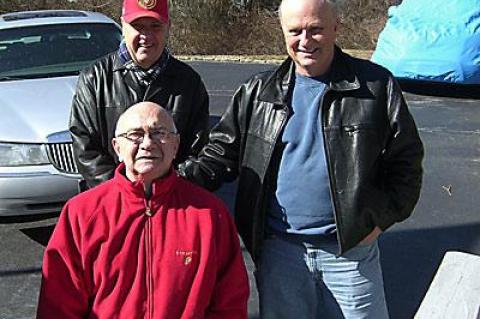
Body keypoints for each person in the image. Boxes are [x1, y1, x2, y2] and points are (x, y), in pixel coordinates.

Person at [178, 0, 424, 318]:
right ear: (283, 32)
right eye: (295, 31)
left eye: (316, 29)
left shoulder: (375, 87)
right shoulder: (258, 92)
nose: (305, 40)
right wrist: (170, 181)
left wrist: (380, 220)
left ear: (336, 28)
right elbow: (220, 155)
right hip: (280, 253)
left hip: (350, 253)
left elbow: (407, 161)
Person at [37, 102, 249, 319]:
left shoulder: (209, 214)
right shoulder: (82, 213)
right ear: (117, 147)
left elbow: (229, 303)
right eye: (135, 135)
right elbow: (58, 304)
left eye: (159, 133)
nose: (148, 143)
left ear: (175, 146)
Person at [70, 0, 209, 190]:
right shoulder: (94, 79)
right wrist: (125, 191)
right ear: (123, 26)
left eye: (155, 26)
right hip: (112, 202)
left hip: (171, 202)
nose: (146, 36)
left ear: (168, 27)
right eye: (138, 26)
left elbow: (197, 149)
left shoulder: (189, 82)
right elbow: (85, 148)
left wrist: (166, 189)